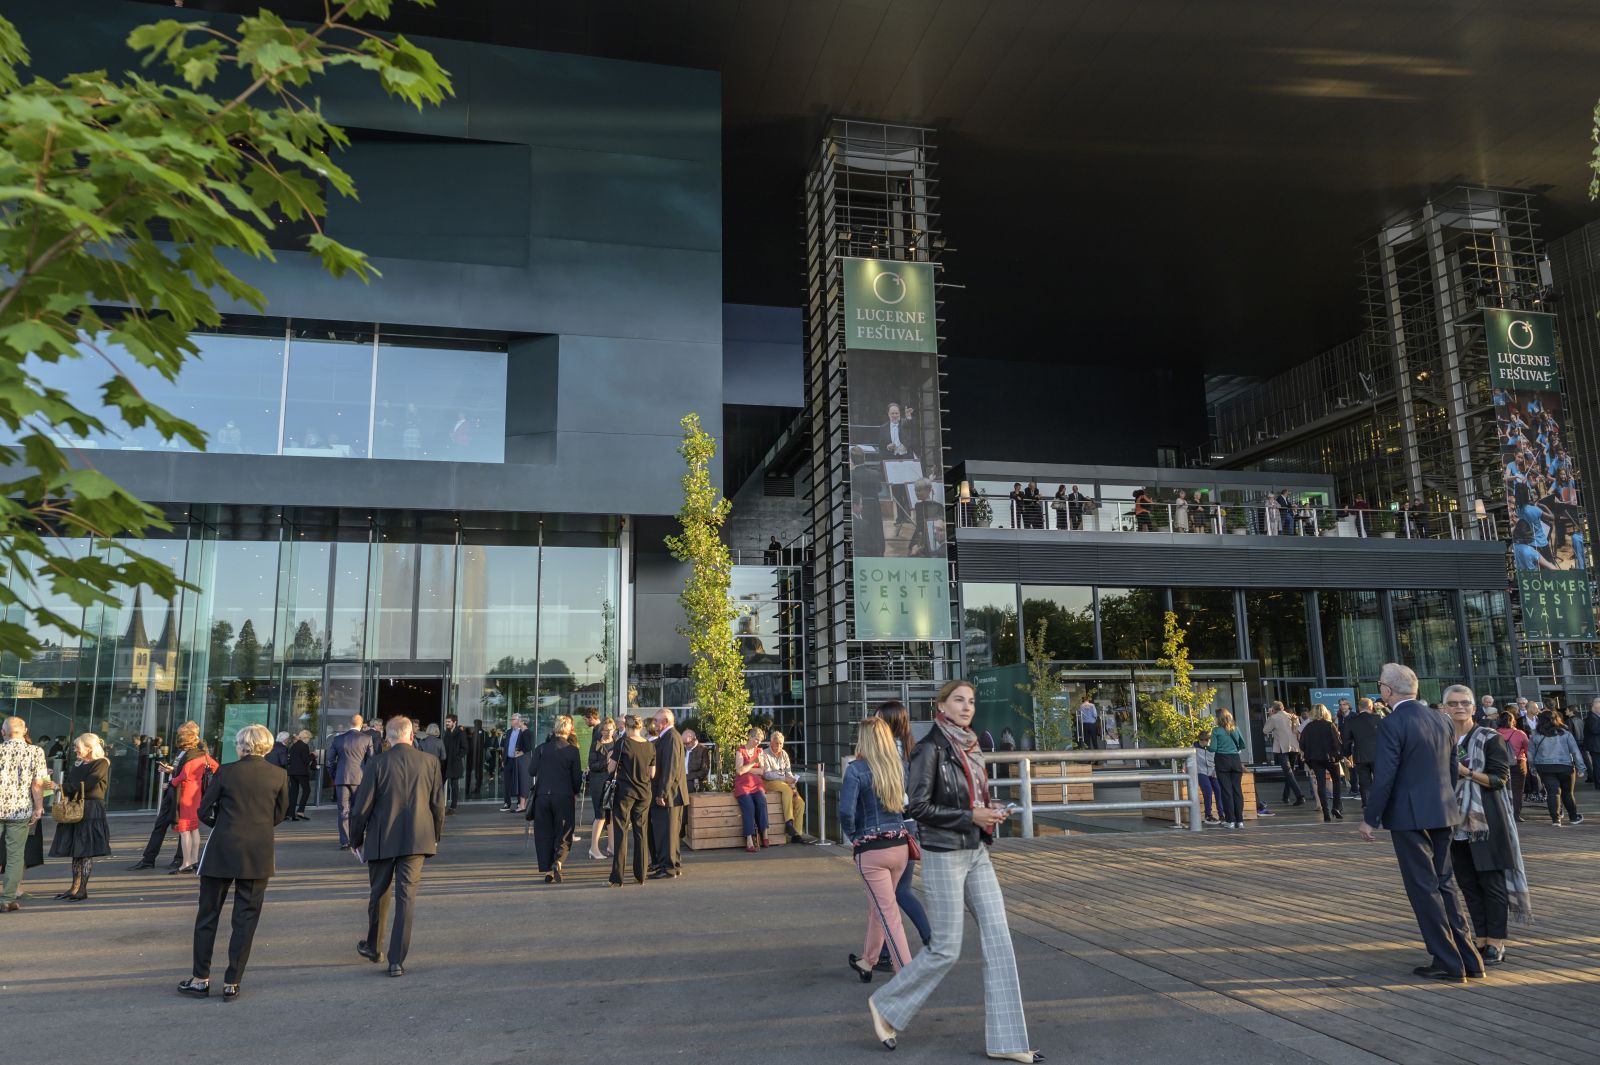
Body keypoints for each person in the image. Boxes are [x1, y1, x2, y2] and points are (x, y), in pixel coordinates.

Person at [867, 679, 1039, 1063]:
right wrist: (969, 814)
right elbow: (918, 808)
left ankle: (1008, 1040)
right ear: (940, 707)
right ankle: (886, 1004)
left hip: (976, 849)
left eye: (971, 701)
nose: (966, 707)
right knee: (945, 948)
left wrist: (988, 810)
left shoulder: (971, 746)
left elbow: (970, 797)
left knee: (999, 938)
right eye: (958, 700)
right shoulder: (929, 749)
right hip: (944, 853)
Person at [1358, 663, 1483, 983]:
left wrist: (1370, 818)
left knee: (1423, 888)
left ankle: (1448, 962)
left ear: (1387, 690)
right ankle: (1470, 959)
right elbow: (1453, 766)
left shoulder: (1392, 723)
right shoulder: (1441, 720)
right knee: (1446, 884)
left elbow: (1385, 775)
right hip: (1443, 811)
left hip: (1409, 816)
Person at [178, 724, 291, 1001]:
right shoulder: (278, 774)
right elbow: (280, 813)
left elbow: (204, 809)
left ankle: (200, 978)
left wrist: (224, 823)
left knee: (208, 914)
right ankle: (232, 981)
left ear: (242, 746)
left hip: (223, 847)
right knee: (246, 918)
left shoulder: (226, 771)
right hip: (258, 850)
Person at [350, 716, 444, 977]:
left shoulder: (378, 763)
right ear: (411, 735)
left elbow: (361, 808)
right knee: (407, 898)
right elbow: (437, 804)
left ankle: (374, 946)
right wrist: (435, 834)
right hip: (417, 838)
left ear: (388, 738)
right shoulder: (430, 762)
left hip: (382, 838)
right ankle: (396, 960)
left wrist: (355, 839)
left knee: (379, 893)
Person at [1441, 685, 1529, 967]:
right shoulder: (1441, 740)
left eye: (1465, 703)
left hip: (1486, 820)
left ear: (1474, 708)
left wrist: (1466, 772)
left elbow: (1499, 779)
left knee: (1491, 883)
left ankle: (1496, 942)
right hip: (1454, 822)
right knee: (1467, 884)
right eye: (1453, 703)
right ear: (1444, 708)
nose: (1459, 707)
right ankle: (1479, 939)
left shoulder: (1490, 738)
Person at [841, 717, 916, 981]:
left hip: (872, 850)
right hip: (900, 847)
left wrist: (855, 837)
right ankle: (868, 961)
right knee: (880, 907)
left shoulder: (855, 770)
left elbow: (845, 813)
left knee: (888, 913)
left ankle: (908, 977)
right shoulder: (899, 767)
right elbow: (905, 804)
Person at [875, 700, 932, 968]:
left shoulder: (892, 754)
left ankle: (931, 938)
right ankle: (885, 954)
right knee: (894, 893)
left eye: (878, 719)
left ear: (889, 723)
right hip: (909, 825)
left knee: (897, 893)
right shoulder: (909, 750)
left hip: (896, 825)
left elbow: (898, 792)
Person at [49, 733, 112, 900]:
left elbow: (89, 784)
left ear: (89, 748)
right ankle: (74, 888)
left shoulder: (102, 763)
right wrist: (66, 791)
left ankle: (82, 889)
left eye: (78, 746)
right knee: (77, 851)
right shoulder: (79, 763)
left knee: (85, 850)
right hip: (77, 808)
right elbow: (75, 783)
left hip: (90, 808)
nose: (75, 749)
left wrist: (61, 787)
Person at [131, 721, 200, 870]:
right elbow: (180, 770)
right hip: (172, 791)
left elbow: (188, 774)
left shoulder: (195, 752)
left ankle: (180, 859)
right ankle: (148, 859)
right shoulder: (181, 751)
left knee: (184, 828)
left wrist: (171, 775)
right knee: (161, 825)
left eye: (181, 733)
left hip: (182, 794)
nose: (179, 736)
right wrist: (171, 772)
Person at [1, 716, 49, 913]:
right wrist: (38, 807)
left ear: (3, 732)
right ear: (25, 730)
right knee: (15, 855)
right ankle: (7, 899)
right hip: (20, 809)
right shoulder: (36, 752)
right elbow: (38, 784)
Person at [526, 714, 583, 883]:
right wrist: (573, 790)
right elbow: (576, 779)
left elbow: (531, 771)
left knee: (545, 833)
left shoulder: (542, 748)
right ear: (569, 730)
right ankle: (558, 861)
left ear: (555, 728)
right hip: (563, 796)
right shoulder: (572, 751)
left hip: (542, 796)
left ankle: (548, 870)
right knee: (564, 832)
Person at [607, 714, 655, 887]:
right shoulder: (650, 746)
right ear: (640, 727)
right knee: (641, 832)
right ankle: (641, 875)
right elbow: (652, 774)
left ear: (626, 728)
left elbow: (611, 768)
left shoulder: (622, 743)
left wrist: (609, 760)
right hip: (644, 793)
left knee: (621, 832)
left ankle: (617, 877)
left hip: (625, 793)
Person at [648, 708, 689, 879]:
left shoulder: (671, 737)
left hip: (670, 795)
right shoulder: (667, 737)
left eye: (656, 720)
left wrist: (661, 793)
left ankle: (669, 867)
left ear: (665, 721)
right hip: (670, 794)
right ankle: (671, 865)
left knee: (668, 833)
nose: (654, 723)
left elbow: (670, 769)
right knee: (667, 832)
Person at [1527, 708, 1585, 827]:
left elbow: (1531, 755)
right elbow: (1575, 751)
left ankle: (1555, 819)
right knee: (1567, 793)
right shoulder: (1565, 733)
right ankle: (1573, 817)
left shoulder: (1535, 736)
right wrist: (1581, 768)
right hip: (1565, 766)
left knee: (1553, 793)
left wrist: (1532, 769)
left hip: (1544, 767)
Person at [172, 739, 219, 874]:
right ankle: (194, 860)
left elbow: (184, 775)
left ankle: (186, 862)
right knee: (194, 827)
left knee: (184, 828)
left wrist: (172, 783)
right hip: (197, 793)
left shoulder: (191, 757)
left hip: (186, 792)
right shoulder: (204, 756)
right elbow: (216, 767)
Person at [328, 715, 376, 849]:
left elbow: (329, 761)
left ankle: (345, 841)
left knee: (343, 810)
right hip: (359, 779)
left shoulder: (338, 739)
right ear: (361, 724)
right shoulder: (366, 738)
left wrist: (334, 775)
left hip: (341, 778)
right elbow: (372, 761)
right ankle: (356, 839)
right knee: (358, 810)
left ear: (350, 723)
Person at [760, 730, 813, 844]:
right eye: (776, 743)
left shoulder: (784, 754)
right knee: (786, 789)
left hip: (785, 784)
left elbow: (789, 773)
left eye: (780, 743)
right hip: (769, 782)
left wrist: (794, 787)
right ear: (771, 743)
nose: (778, 746)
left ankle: (796, 834)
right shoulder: (765, 754)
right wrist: (785, 779)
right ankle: (789, 822)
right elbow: (767, 774)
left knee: (800, 802)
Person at [1299, 705, 1344, 822]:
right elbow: (1337, 742)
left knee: (1321, 784)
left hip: (1315, 759)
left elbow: (1302, 744)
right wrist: (1339, 757)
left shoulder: (1308, 727)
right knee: (1337, 782)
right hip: (1331, 758)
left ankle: (1325, 812)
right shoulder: (1329, 725)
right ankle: (1336, 807)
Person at [1209, 710, 1248, 829]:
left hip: (1222, 760)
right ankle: (1240, 821)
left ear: (1218, 718)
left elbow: (1213, 748)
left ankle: (1230, 820)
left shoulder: (1216, 731)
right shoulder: (1235, 728)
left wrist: (1207, 746)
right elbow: (1242, 745)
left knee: (1226, 791)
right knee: (1237, 790)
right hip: (1235, 760)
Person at [586, 717, 618, 859]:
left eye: (611, 729)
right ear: (601, 730)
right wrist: (607, 762)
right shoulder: (596, 744)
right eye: (606, 730)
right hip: (598, 782)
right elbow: (592, 766)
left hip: (612, 782)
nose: (609, 732)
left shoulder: (617, 742)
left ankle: (611, 847)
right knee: (600, 816)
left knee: (610, 816)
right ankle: (594, 848)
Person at [733, 727, 770, 852]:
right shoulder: (740, 751)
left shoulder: (760, 751)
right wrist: (754, 762)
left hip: (757, 785)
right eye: (756, 739)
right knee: (749, 807)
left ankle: (764, 833)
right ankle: (749, 839)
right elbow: (739, 771)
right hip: (743, 787)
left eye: (760, 740)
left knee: (762, 802)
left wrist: (747, 768)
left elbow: (762, 771)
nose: (758, 743)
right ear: (750, 737)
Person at [1264, 701, 1305, 807]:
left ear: (1273, 709)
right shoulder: (1293, 716)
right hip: (1294, 747)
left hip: (1282, 748)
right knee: (1290, 772)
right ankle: (1285, 796)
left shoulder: (1274, 718)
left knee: (1288, 772)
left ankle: (1300, 796)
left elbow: (1265, 730)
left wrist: (1270, 716)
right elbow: (1298, 730)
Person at [1342, 697, 1381, 807]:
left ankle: (1367, 804)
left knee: (1364, 782)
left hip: (1360, 756)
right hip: (1378, 755)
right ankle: (1380, 803)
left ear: (1359, 708)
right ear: (1371, 706)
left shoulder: (1351, 721)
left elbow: (1347, 741)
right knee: (1380, 780)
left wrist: (1346, 755)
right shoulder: (1378, 718)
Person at [1495, 711, 1530, 823]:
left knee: (1500, 789)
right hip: (1518, 763)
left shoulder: (1494, 733)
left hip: (1499, 764)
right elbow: (1527, 749)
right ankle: (1516, 814)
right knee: (1517, 790)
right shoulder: (1520, 733)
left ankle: (1502, 813)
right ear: (1513, 721)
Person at [501, 714, 534, 813]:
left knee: (519, 782)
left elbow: (528, 747)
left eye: (513, 719)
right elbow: (504, 747)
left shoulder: (523, 732)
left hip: (518, 761)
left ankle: (521, 803)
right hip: (508, 760)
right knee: (507, 783)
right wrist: (503, 759)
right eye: (511, 719)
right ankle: (507, 803)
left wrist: (520, 753)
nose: (511, 721)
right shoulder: (508, 731)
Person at [285, 730, 315, 821]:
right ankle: (300, 811)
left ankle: (290, 813)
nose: (309, 740)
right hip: (301, 772)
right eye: (309, 739)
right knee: (306, 790)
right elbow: (306, 760)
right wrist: (313, 755)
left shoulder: (293, 746)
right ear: (305, 738)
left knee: (293, 793)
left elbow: (290, 760)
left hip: (292, 772)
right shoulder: (304, 746)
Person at [441, 714, 467, 814]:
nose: (447, 723)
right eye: (446, 722)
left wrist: (457, 757)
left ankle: (453, 807)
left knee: (454, 785)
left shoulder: (460, 732)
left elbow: (465, 748)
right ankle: (438, 804)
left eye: (449, 722)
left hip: (455, 763)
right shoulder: (447, 732)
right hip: (445, 763)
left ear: (454, 722)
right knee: (440, 783)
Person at [1193, 733, 1221, 825]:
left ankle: (1221, 813)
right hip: (1201, 772)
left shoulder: (1212, 748)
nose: (1204, 742)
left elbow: (1216, 760)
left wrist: (1215, 771)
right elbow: (1189, 759)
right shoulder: (1194, 748)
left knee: (1218, 789)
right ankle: (1208, 815)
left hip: (1212, 772)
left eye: (1206, 740)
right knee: (1208, 790)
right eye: (1201, 740)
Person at [683, 728, 711, 793]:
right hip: (681, 779)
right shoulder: (682, 749)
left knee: (687, 786)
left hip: (694, 781)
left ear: (694, 740)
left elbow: (704, 771)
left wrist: (687, 777)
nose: (685, 745)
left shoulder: (703, 750)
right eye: (683, 743)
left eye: (686, 743)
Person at [1583, 698, 1600, 788]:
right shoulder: (1592, 717)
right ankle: (1598, 784)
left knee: (1597, 765)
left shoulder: (1594, 717)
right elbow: (1595, 730)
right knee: (1597, 766)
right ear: (1595, 706)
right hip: (1596, 746)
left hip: (1596, 746)